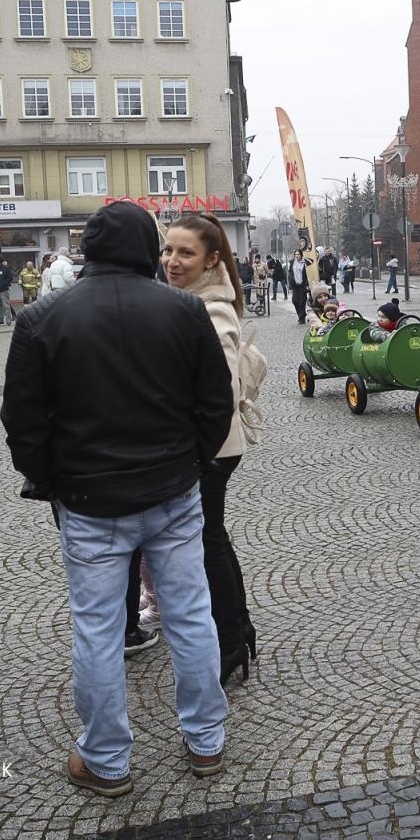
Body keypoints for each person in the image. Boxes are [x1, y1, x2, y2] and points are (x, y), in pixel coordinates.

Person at [2, 201, 235, 796]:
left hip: (88, 499)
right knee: (189, 615)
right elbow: (215, 406)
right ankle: (206, 741)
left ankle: (106, 759)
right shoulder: (184, 311)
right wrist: (190, 464)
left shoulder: (42, 317)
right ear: (145, 247)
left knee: (99, 630)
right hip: (172, 492)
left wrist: (52, 480)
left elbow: (22, 424)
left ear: (89, 249)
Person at [161, 214, 259, 685]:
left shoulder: (212, 308)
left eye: (185, 253)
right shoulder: (190, 298)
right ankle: (238, 631)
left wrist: (196, 450)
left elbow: (217, 389)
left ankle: (230, 642)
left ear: (211, 259)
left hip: (212, 447)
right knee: (213, 538)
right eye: (167, 251)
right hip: (209, 444)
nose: (172, 261)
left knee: (208, 542)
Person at [0, 258, 16, 325]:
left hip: (3, 290)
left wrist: (4, 284)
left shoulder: (5, 269)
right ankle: (0, 319)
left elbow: (10, 278)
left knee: (6, 305)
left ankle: (8, 320)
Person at [290, 253, 312, 324]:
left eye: (298, 254)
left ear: (301, 255)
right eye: (295, 254)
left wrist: (307, 283)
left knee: (302, 301)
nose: (296, 256)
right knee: (294, 300)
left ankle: (301, 317)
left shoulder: (305, 263)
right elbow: (290, 273)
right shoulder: (292, 262)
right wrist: (290, 282)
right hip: (295, 285)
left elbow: (308, 273)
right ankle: (300, 314)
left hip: (302, 285)